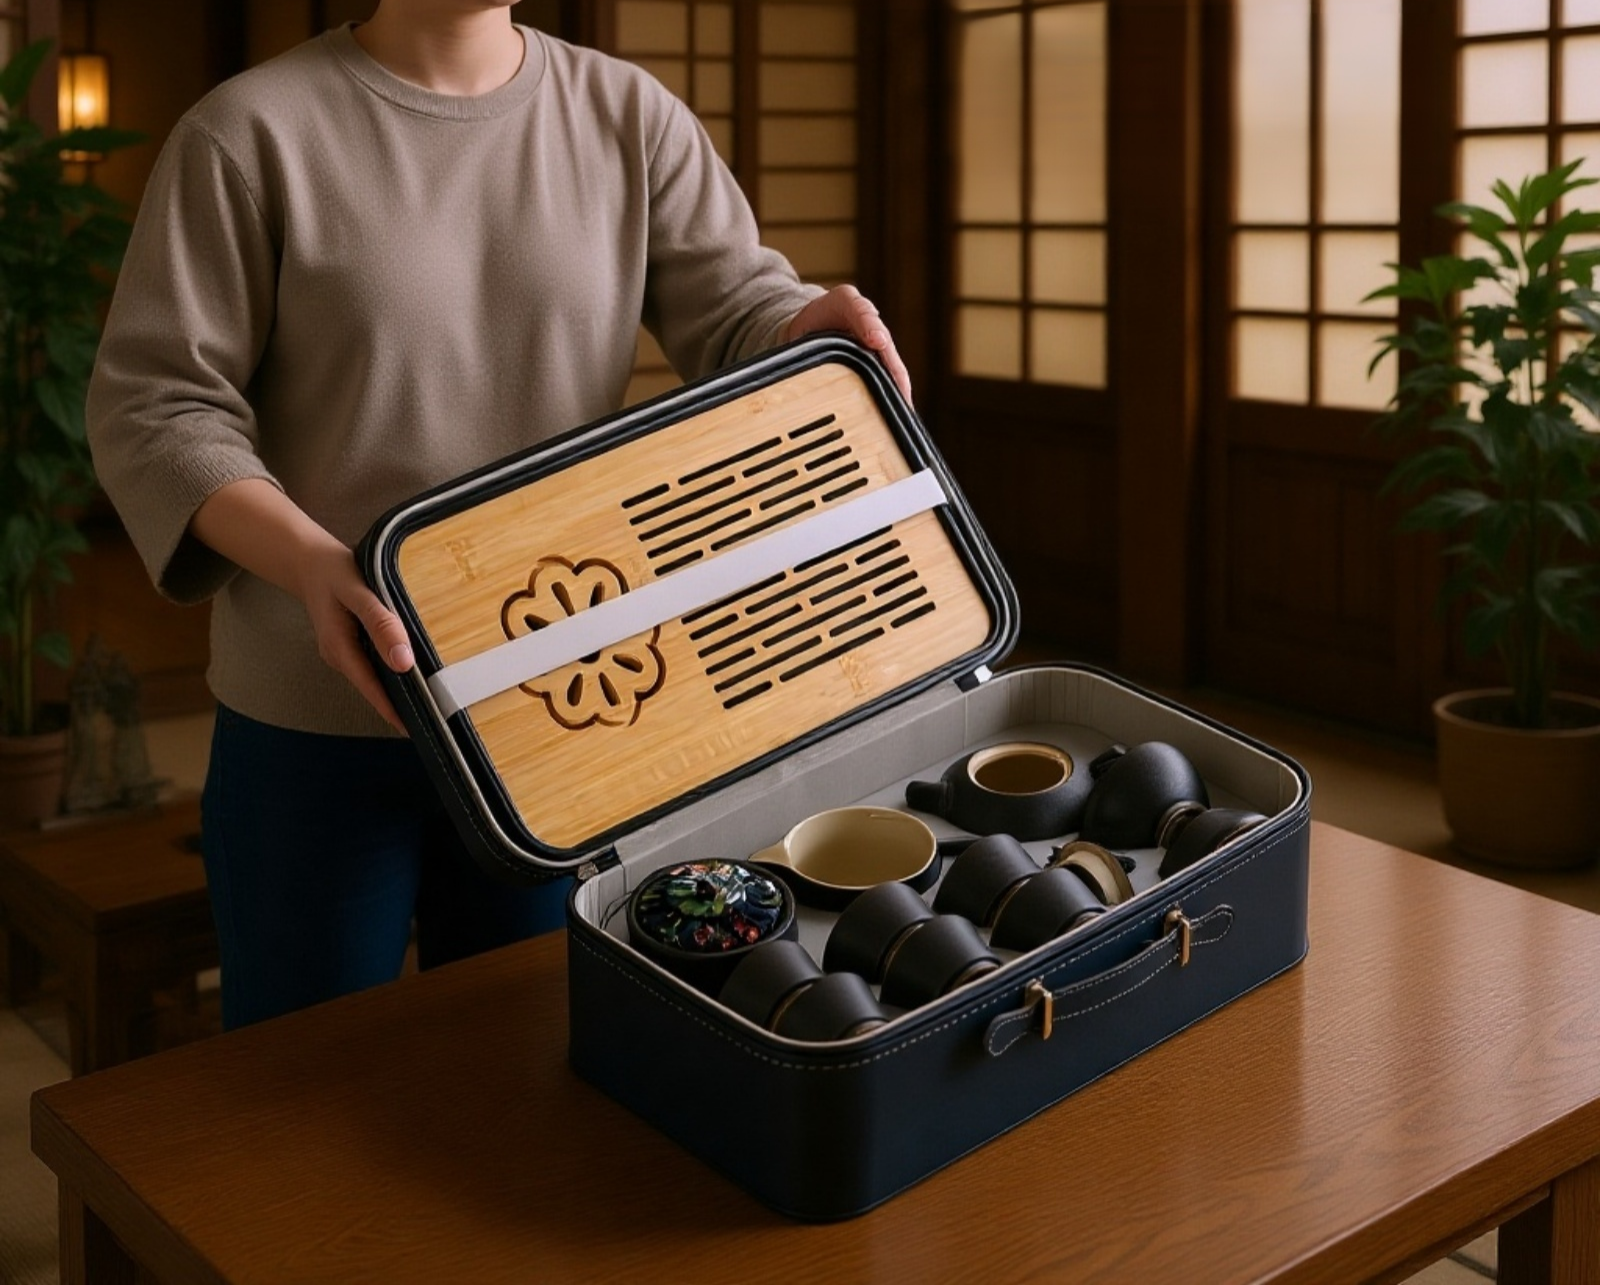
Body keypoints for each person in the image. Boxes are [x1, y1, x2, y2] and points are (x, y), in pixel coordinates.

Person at [86, 0, 911, 1030]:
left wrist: (803, 323)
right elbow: (156, 406)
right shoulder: (249, 131)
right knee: (294, 1081)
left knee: (521, 1055)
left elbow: (734, 306)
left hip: (557, 698)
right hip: (318, 704)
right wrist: (312, 564)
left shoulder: (627, 114)